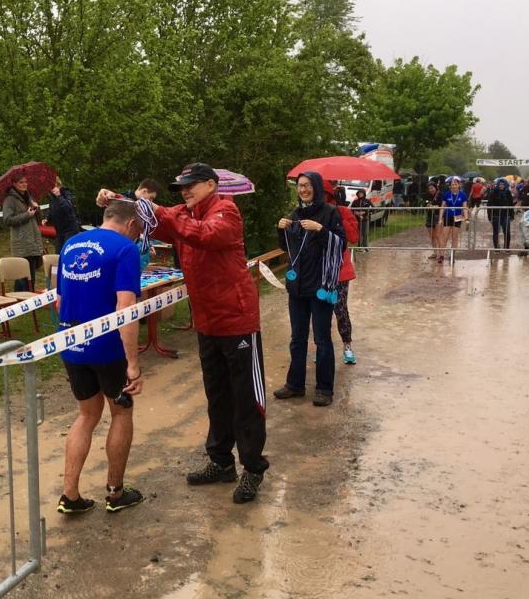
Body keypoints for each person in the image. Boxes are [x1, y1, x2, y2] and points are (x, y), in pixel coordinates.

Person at [98, 163, 268, 504]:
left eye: (191, 185)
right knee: (217, 396)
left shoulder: (226, 212)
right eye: (180, 187)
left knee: (246, 399)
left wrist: (162, 212)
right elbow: (152, 217)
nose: (185, 191)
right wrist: (114, 198)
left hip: (236, 320)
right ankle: (221, 462)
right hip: (207, 321)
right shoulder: (183, 213)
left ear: (211, 185)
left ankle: (252, 468)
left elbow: (204, 234)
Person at [56, 199, 146, 514]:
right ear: (131, 224)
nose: (138, 236)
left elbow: (59, 300)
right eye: (139, 230)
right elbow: (126, 309)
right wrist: (133, 364)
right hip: (108, 349)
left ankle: (70, 495)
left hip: (71, 343)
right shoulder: (125, 249)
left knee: (86, 415)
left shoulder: (70, 244)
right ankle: (115, 493)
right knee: (121, 414)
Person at [274, 171, 346, 406]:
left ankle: (324, 389)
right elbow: (287, 248)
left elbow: (341, 244)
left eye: (307, 185)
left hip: (320, 285)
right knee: (297, 338)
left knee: (322, 339)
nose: (303, 189)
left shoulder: (330, 213)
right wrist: (280, 229)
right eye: (299, 186)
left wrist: (321, 230)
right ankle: (295, 385)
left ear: (316, 187)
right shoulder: (295, 214)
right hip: (297, 287)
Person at [328, 187, 359, 365]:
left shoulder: (343, 212)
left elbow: (354, 237)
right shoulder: (312, 212)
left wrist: (340, 217)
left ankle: (347, 344)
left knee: (340, 310)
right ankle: (322, 346)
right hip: (318, 272)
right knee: (319, 312)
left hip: (340, 271)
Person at [2, 172, 44, 291]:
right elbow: (7, 220)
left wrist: (37, 208)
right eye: (21, 182)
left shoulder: (29, 198)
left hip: (33, 241)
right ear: (14, 184)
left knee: (31, 276)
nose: (24, 184)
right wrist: (27, 215)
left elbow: (39, 220)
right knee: (22, 276)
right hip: (21, 243)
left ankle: (29, 298)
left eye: (26, 182)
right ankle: (20, 299)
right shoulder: (9, 199)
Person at [42, 175, 81, 253]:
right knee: (58, 253)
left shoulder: (66, 192)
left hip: (70, 229)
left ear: (57, 183)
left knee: (67, 252)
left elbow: (69, 208)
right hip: (59, 230)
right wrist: (47, 218)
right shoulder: (52, 196)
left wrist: (59, 196)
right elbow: (51, 209)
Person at [437, 177, 468, 263]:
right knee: (445, 236)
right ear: (450, 186)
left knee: (455, 237)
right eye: (452, 185)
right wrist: (440, 219)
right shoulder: (446, 194)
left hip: (458, 217)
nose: (454, 186)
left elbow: (465, 208)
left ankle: (453, 255)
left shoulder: (463, 195)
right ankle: (441, 255)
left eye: (455, 184)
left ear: (459, 185)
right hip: (448, 216)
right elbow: (442, 207)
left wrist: (466, 219)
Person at [487, 178, 514, 250]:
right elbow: (489, 205)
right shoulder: (493, 192)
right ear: (498, 185)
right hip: (496, 215)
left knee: (507, 232)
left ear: (505, 185)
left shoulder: (508, 193)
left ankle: (506, 247)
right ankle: (496, 248)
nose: (501, 186)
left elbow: (511, 204)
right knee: (496, 232)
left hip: (506, 215)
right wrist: (489, 216)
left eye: (503, 184)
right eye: (500, 184)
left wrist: (512, 215)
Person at [423, 182, 443, 260]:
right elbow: (424, 204)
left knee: (438, 235)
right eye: (429, 189)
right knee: (432, 236)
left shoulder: (440, 195)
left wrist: (434, 206)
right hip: (429, 216)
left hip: (437, 216)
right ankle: (435, 252)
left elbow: (442, 205)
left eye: (432, 188)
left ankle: (441, 254)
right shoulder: (427, 195)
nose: (431, 190)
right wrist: (427, 206)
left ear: (435, 187)